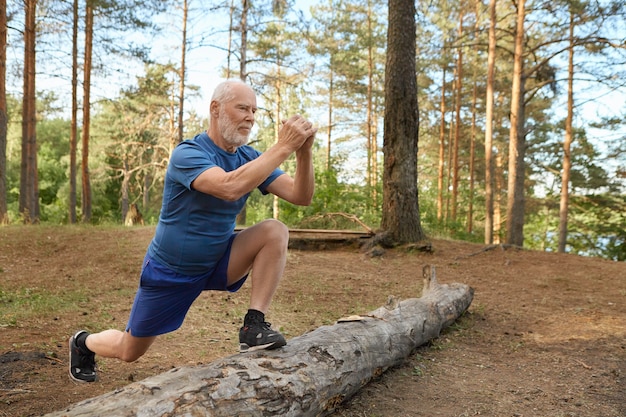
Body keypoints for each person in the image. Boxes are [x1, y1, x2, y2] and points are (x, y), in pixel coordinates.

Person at [69, 79, 317, 383]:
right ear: (215, 109)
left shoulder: (250, 157)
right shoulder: (188, 154)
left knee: (274, 230)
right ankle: (84, 342)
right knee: (129, 350)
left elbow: (300, 196)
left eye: (254, 110)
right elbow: (229, 187)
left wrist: (303, 153)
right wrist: (283, 146)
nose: (251, 116)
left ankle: (253, 324)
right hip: (171, 272)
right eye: (242, 108)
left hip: (219, 260)